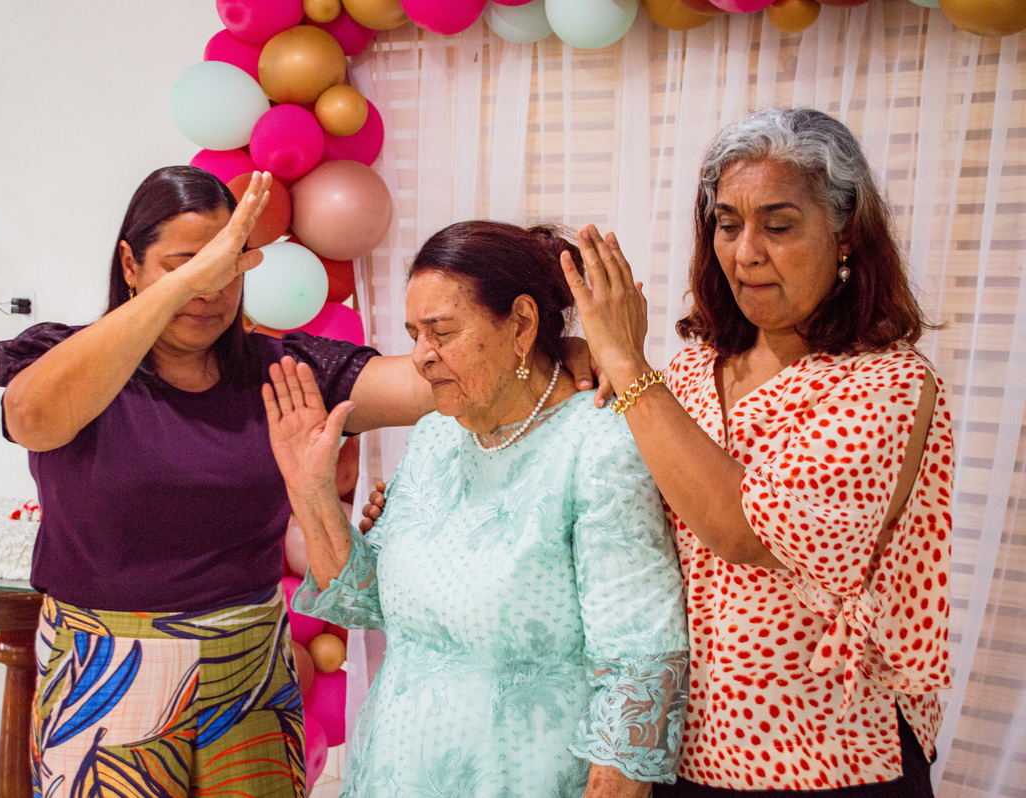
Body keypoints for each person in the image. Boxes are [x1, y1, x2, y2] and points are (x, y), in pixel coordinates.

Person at [0, 166, 437, 797]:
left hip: (249, 670)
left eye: (229, 266)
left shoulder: (279, 371)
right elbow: (31, 418)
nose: (211, 289)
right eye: (187, 265)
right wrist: (187, 283)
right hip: (106, 672)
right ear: (130, 263)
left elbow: (426, 384)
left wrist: (550, 353)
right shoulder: (71, 362)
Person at [559, 108, 953, 794]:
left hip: (831, 760)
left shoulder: (888, 383)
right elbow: (616, 521)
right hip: (685, 758)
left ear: (845, 236)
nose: (745, 252)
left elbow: (742, 528)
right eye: (727, 222)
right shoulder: (685, 372)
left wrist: (623, 358)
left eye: (778, 225)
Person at [262, 220, 690, 797]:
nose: (419, 357)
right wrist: (311, 493)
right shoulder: (438, 434)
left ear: (520, 324)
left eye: (440, 331)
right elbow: (373, 601)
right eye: (413, 333)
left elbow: (640, 669)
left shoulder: (599, 445)